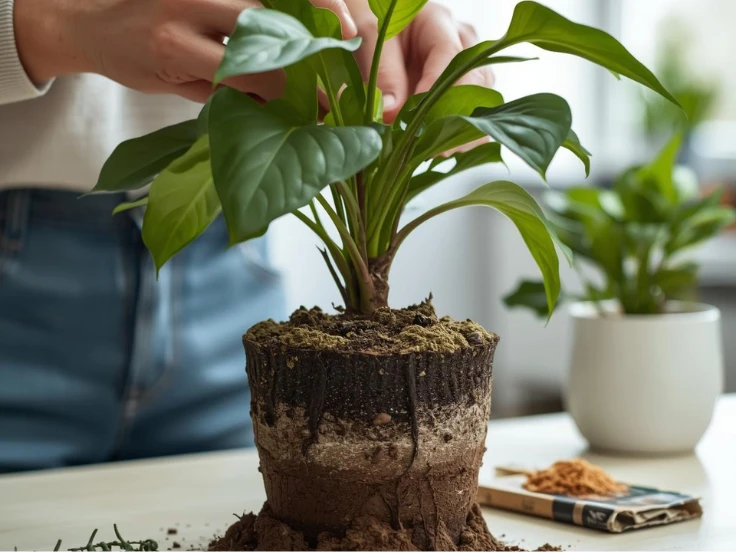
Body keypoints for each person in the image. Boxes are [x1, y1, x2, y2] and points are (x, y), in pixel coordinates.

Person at [0, 0, 494, 473]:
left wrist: (402, 26)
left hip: (227, 267)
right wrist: (48, 23)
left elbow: (349, 18)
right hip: (21, 285)